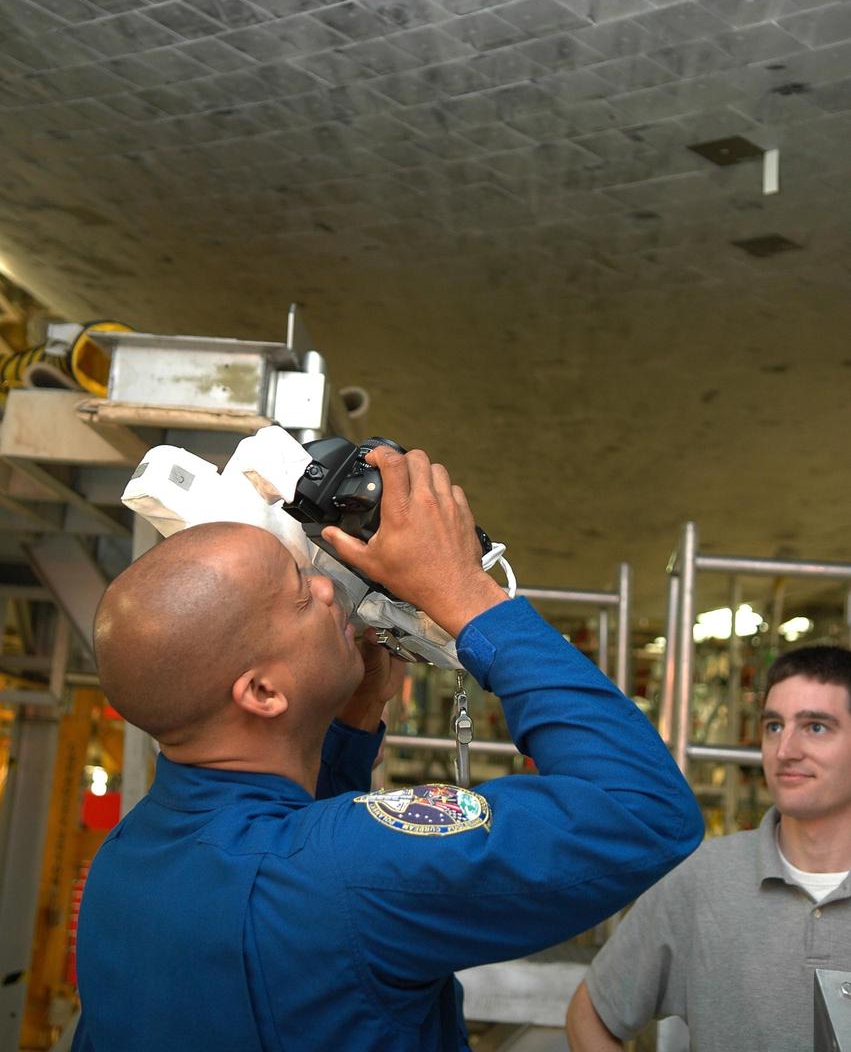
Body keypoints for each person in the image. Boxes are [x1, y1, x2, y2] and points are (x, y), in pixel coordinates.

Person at [73, 446, 702, 1052]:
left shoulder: (124, 864)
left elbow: (279, 855)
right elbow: (642, 809)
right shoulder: (345, 877)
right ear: (263, 691)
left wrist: (349, 720)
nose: (327, 590)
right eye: (301, 592)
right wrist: (466, 595)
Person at [566, 644, 851, 1052]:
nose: (785, 750)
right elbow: (589, 1014)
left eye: (815, 727)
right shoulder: (702, 880)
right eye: (774, 726)